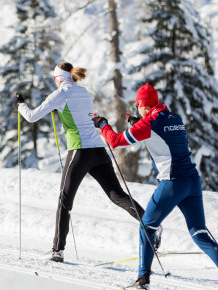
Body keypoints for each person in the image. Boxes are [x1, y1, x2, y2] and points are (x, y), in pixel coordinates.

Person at [92, 84, 218, 290]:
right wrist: (140, 123)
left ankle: (142, 280)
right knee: (199, 233)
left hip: (172, 183)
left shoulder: (150, 123)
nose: (137, 110)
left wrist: (103, 124)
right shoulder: (175, 118)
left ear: (143, 105)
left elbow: (116, 141)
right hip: (192, 182)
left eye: (138, 106)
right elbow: (162, 135)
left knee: (147, 227)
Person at [16, 62, 147, 263]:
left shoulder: (61, 94)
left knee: (64, 200)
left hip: (79, 151)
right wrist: (55, 102)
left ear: (57, 78)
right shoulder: (83, 92)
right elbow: (74, 110)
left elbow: (32, 117)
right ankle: (149, 224)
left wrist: (20, 105)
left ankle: (57, 250)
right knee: (116, 194)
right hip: (99, 150)